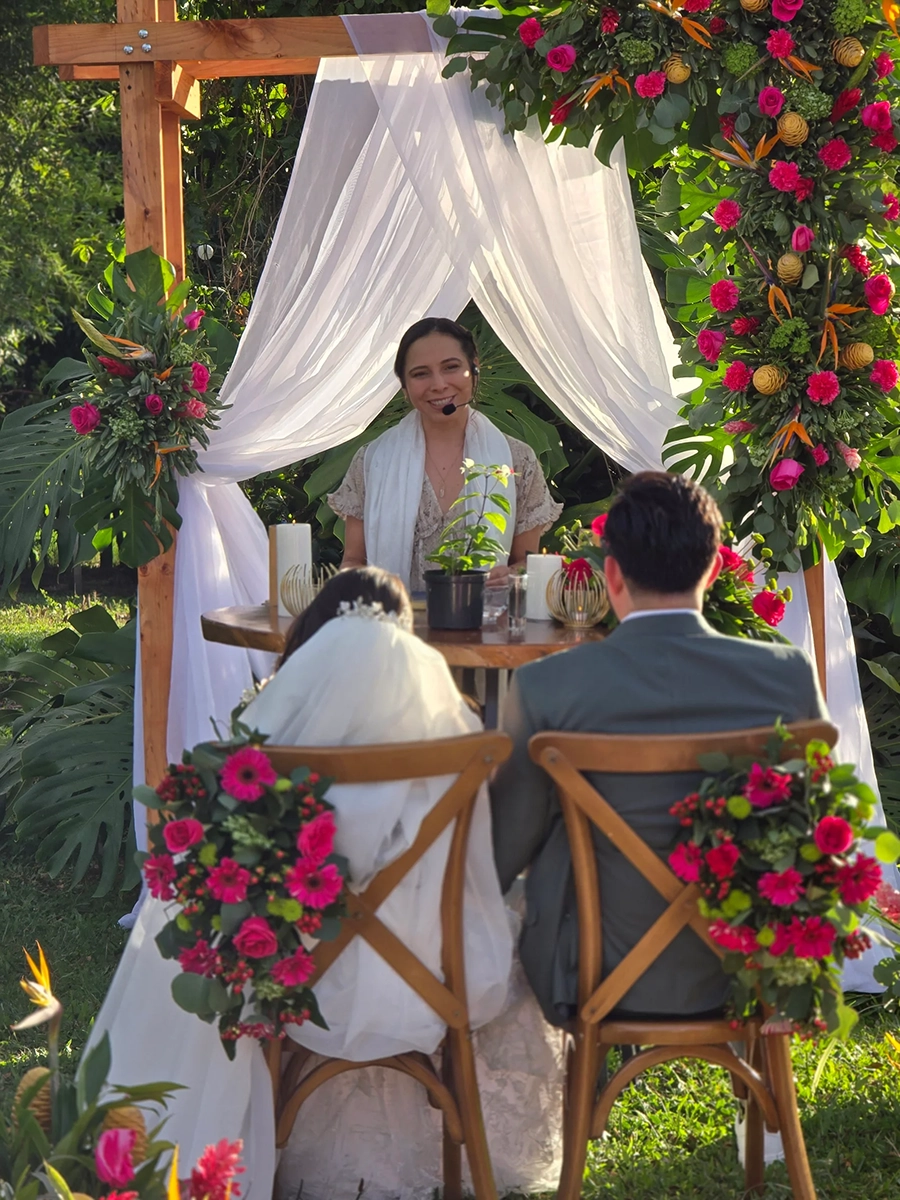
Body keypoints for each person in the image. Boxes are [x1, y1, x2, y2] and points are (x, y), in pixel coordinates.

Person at [86, 568, 563, 1200]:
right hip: (434, 985)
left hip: (296, 988)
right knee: (510, 925)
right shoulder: (456, 739)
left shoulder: (270, 743)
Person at [490, 471, 830, 1027]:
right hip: (753, 968)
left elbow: (503, 850)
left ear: (612, 574)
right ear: (715, 569)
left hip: (587, 971)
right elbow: (817, 832)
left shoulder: (545, 686)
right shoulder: (786, 676)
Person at [328, 318, 561, 591]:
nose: (438, 385)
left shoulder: (517, 461)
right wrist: (360, 580)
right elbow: (353, 560)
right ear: (404, 386)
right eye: (420, 374)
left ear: (474, 369)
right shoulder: (372, 462)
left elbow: (526, 562)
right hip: (393, 616)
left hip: (488, 616)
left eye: (451, 367)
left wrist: (512, 576)